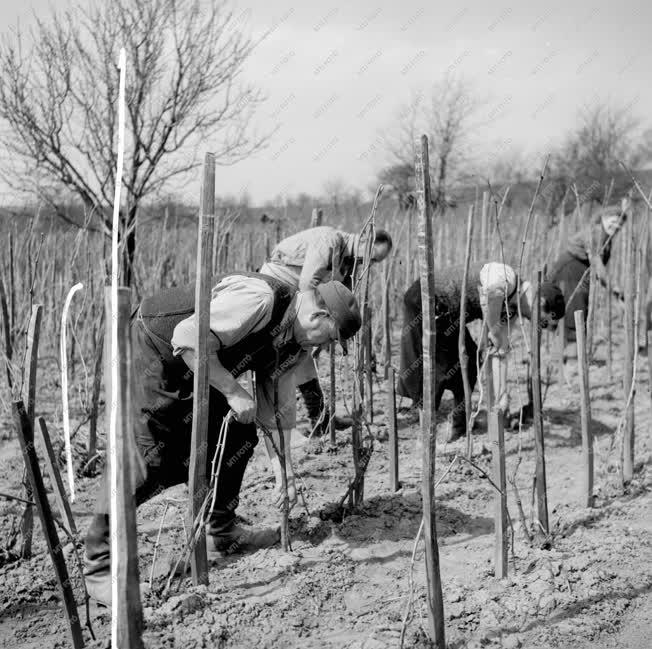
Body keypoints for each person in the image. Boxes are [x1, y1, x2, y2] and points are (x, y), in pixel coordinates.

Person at [84, 272, 361, 606]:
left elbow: (275, 411)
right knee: (147, 460)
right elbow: (187, 337)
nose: (326, 347)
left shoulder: (296, 344)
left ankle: (223, 529)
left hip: (202, 363)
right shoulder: (260, 299)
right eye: (330, 339)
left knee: (237, 435)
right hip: (155, 350)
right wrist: (231, 390)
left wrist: (282, 473)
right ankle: (100, 570)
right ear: (319, 316)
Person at [397, 262, 565, 441]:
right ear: (540, 303)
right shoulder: (506, 277)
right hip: (428, 297)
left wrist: (502, 397)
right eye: (543, 321)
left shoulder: (511, 311)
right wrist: (493, 330)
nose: (537, 324)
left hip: (448, 313)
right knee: (444, 366)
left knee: (468, 364)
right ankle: (428, 424)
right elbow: (492, 293)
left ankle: (457, 425)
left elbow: (498, 352)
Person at [260, 225, 392, 436]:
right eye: (371, 256)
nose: (369, 263)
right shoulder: (329, 241)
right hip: (279, 285)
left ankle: (321, 419)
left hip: (297, 293)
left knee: (302, 356)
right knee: (290, 355)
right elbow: (307, 282)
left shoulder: (350, 259)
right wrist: (313, 321)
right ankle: (289, 427)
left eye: (375, 261)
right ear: (364, 239)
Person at [548, 203, 627, 343]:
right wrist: (612, 287)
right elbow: (597, 262)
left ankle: (568, 352)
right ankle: (570, 354)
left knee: (575, 306)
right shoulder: (596, 232)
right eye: (613, 222)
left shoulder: (606, 237)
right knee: (575, 307)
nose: (616, 227)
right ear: (604, 218)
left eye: (620, 225)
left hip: (579, 268)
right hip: (570, 268)